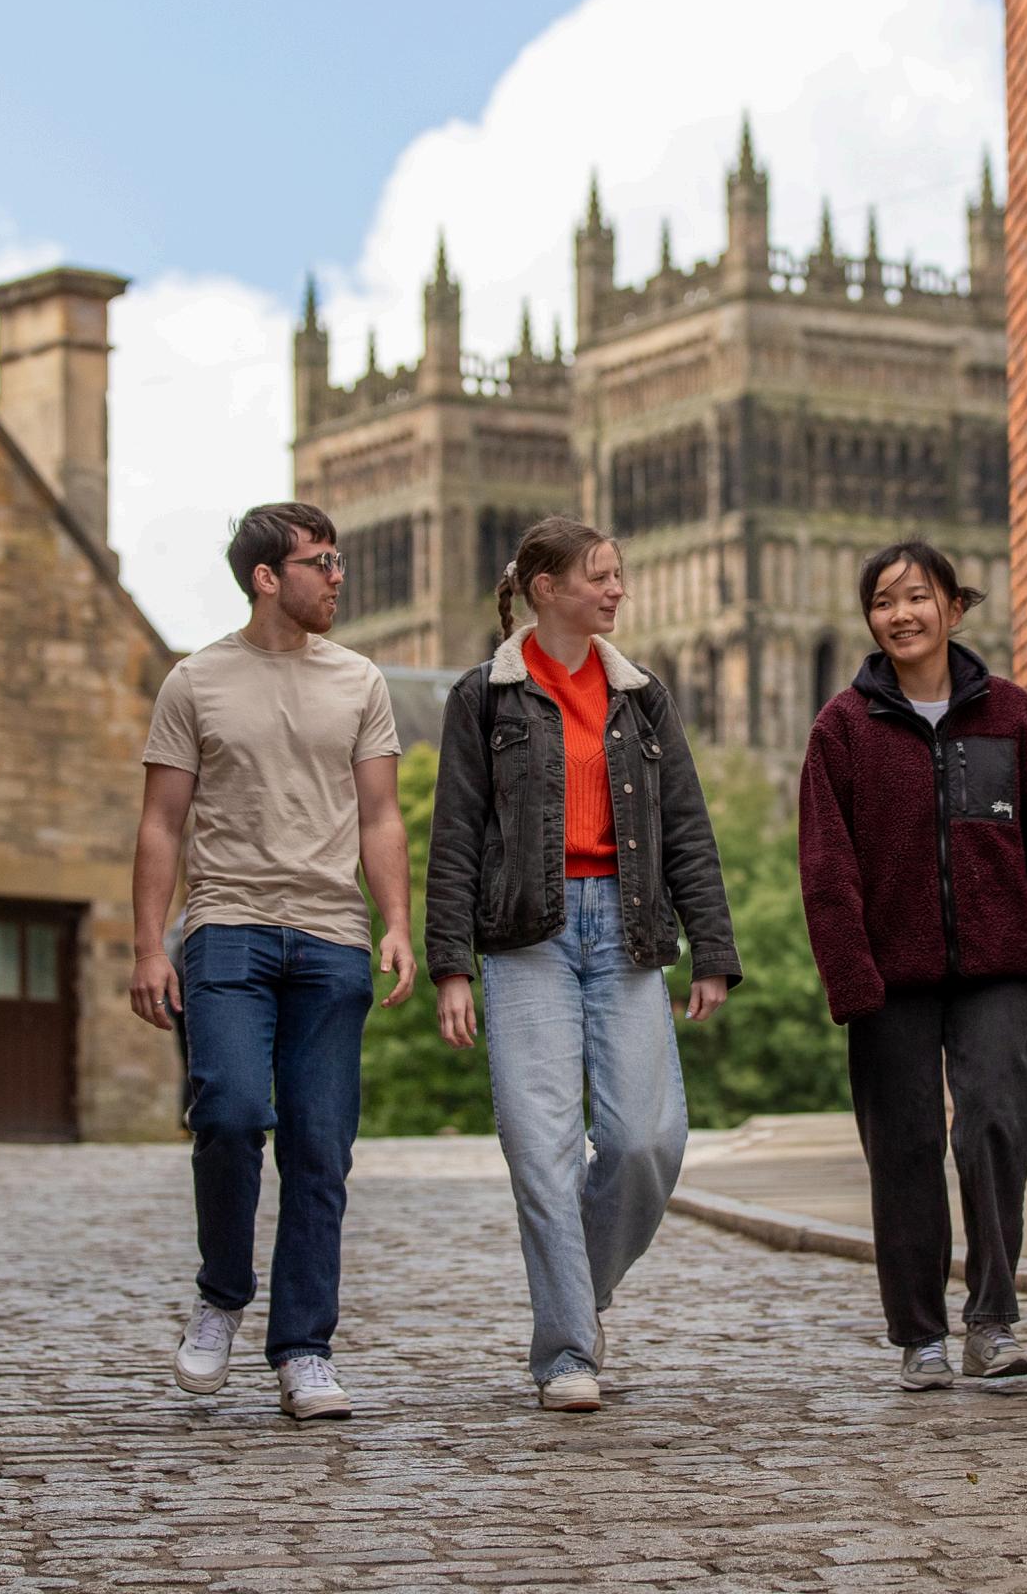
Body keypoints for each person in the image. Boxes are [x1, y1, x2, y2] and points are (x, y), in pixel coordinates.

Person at [426, 516, 738, 1412]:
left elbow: (686, 827)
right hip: (527, 938)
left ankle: (576, 1290)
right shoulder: (483, 698)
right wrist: (451, 964)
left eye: (617, 575)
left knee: (646, 1141)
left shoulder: (643, 697)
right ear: (546, 589)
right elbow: (455, 837)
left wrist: (712, 951)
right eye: (599, 576)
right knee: (542, 1150)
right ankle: (567, 1351)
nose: (616, 591)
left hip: (628, 930)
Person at [131, 501, 414, 1421]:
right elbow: (161, 823)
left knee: (319, 1147)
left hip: (332, 936)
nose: (337, 577)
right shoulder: (195, 682)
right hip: (226, 928)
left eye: (338, 560)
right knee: (228, 1112)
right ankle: (221, 1295)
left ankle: (304, 1350)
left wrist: (397, 923)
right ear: (266, 577)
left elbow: (380, 815)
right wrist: (148, 946)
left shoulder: (360, 681)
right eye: (319, 562)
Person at [797, 541, 1027, 1391]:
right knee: (904, 1148)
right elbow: (827, 868)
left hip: (997, 965)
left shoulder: (1015, 716)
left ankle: (992, 1320)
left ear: (954, 607)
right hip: (890, 979)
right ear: (870, 620)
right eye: (884, 602)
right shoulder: (843, 728)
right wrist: (852, 981)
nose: (902, 615)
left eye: (918, 597)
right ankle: (920, 1334)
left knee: (995, 1121)